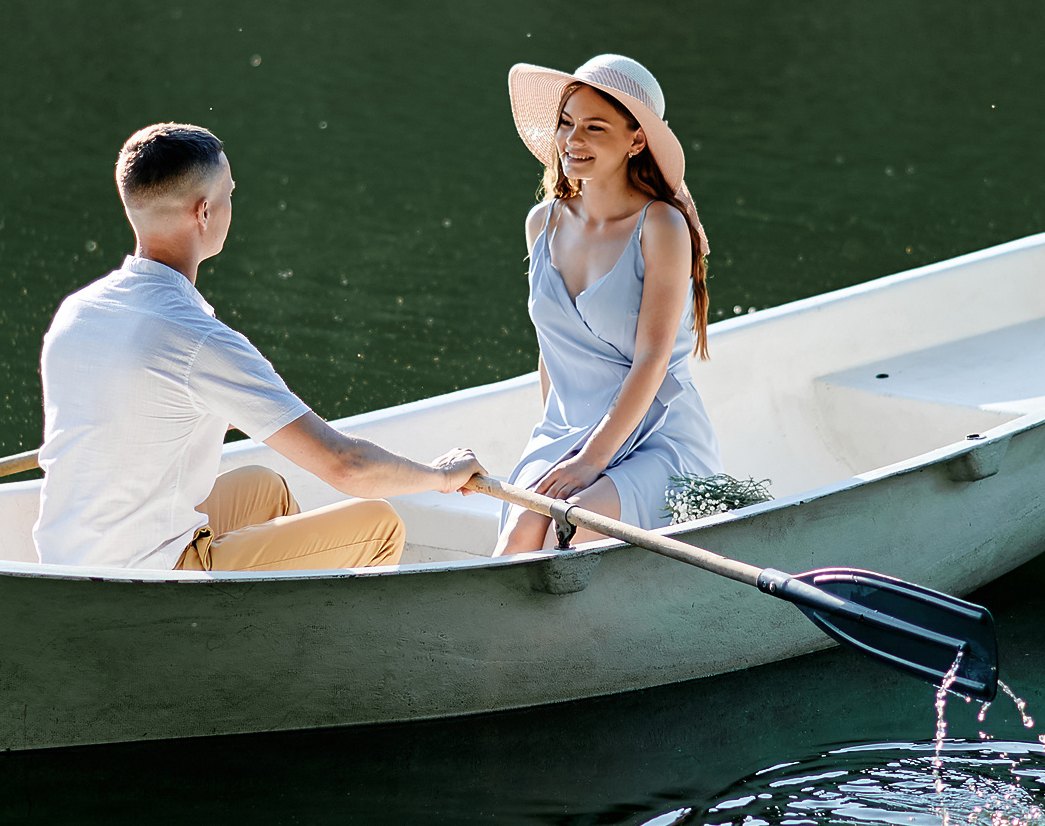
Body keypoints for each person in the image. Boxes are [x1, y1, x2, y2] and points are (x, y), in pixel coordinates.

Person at [36, 122, 484, 573]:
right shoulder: (198, 340)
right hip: (145, 579)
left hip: (69, 564)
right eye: (230, 194)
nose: (234, 205)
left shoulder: (78, 311)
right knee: (379, 523)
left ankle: (282, 616)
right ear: (204, 212)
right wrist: (441, 477)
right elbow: (345, 465)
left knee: (263, 488)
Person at [495, 54, 722, 555]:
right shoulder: (542, 223)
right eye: (566, 123)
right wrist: (558, 447)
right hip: (567, 431)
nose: (573, 141)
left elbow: (653, 359)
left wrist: (588, 463)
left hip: (657, 435)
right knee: (518, 538)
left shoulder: (662, 226)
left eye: (595, 127)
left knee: (573, 528)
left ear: (636, 139)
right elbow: (551, 354)